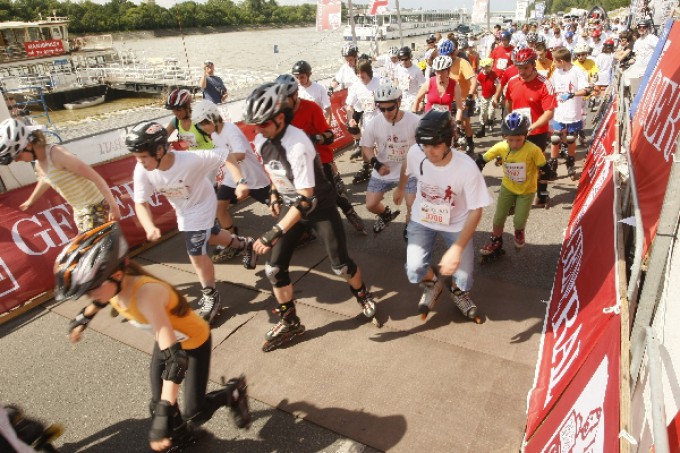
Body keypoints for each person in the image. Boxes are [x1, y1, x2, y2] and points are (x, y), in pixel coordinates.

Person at [54, 221, 251, 452]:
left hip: (193, 341)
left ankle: (233, 392)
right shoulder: (114, 286)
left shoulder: (145, 294)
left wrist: (163, 416)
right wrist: (83, 319)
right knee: (157, 405)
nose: (89, 296)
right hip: (169, 341)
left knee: (193, 412)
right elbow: (101, 299)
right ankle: (182, 436)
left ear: (116, 274)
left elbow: (176, 361)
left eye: (90, 289)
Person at [245, 83, 378, 351]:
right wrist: (274, 193)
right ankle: (290, 321)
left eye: (262, 124)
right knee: (273, 269)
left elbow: (306, 199)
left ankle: (362, 294)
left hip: (318, 207)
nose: (257, 131)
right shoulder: (261, 140)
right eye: (254, 125)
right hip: (292, 205)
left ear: (279, 118)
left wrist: (274, 232)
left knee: (341, 267)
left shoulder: (298, 144)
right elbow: (277, 173)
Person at [126, 121, 257, 324]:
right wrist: (149, 226)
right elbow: (140, 203)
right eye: (136, 157)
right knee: (209, 235)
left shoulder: (190, 159)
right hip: (183, 209)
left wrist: (240, 181)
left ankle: (211, 295)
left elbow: (225, 155)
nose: (139, 161)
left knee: (195, 251)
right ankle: (244, 243)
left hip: (202, 203)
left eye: (143, 156)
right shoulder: (142, 170)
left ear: (159, 150)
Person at [396, 110, 491, 321]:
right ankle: (433, 284)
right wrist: (401, 188)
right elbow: (406, 166)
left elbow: (476, 210)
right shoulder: (416, 153)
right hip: (423, 217)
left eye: (436, 145)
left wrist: (456, 250)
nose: (429, 151)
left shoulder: (467, 167)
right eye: (425, 145)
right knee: (414, 269)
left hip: (456, 222)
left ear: (449, 140)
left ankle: (457, 291)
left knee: (464, 276)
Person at [275, 74, 366, 234]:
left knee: (329, 194)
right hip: (295, 161)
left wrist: (313, 138)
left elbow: (329, 135)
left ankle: (350, 212)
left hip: (319, 157)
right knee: (296, 196)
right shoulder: (279, 112)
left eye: (285, 99)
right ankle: (302, 232)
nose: (282, 103)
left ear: (295, 94)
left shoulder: (311, 108)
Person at [0, 119, 122, 232]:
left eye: (17, 155)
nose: (17, 160)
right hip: (80, 211)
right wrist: (30, 201)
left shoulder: (57, 155)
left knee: (93, 245)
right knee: (93, 245)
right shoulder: (39, 164)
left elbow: (96, 178)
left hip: (96, 206)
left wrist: (113, 206)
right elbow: (46, 179)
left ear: (28, 145)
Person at [191, 100, 273, 262]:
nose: (203, 128)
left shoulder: (231, 129)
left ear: (213, 118)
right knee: (220, 206)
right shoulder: (214, 135)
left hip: (252, 177)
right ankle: (232, 241)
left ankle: (301, 229)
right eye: (200, 125)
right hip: (232, 177)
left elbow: (240, 154)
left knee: (276, 206)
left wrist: (217, 159)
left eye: (204, 123)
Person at [475, 112, 547, 259]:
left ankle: (519, 231)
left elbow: (543, 166)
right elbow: (484, 158)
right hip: (507, 187)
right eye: (510, 140)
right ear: (504, 137)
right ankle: (495, 240)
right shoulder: (501, 147)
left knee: (519, 221)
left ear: (525, 135)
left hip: (526, 191)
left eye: (519, 140)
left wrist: (546, 172)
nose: (514, 144)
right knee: (498, 217)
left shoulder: (533, 150)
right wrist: (478, 165)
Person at [359, 85, 419, 238]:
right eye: (382, 109)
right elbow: (366, 146)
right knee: (370, 205)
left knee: (412, 206)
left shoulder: (414, 121)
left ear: (399, 102)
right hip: (383, 169)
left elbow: (427, 145)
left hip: (409, 171)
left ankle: (410, 230)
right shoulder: (375, 122)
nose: (386, 113)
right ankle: (385, 215)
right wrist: (375, 163)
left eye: (390, 108)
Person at [504, 47, 557, 207]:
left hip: (537, 131)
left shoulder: (544, 84)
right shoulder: (512, 82)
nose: (522, 71)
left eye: (525, 68)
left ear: (534, 65)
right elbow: (508, 103)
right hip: (517, 131)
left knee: (538, 165)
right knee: (516, 164)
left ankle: (542, 194)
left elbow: (549, 112)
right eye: (519, 67)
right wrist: (509, 123)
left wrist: (532, 127)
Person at [549, 46, 591, 182]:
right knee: (555, 138)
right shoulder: (557, 72)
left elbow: (587, 90)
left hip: (573, 111)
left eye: (555, 61)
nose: (553, 63)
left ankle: (570, 163)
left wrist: (572, 94)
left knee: (571, 138)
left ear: (561, 61)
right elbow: (549, 86)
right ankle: (553, 163)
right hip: (559, 111)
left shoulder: (578, 71)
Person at [345, 59, 381, 185]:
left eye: (362, 73)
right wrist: (351, 118)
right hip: (367, 119)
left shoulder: (379, 81)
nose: (360, 76)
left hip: (381, 118)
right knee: (366, 145)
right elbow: (349, 106)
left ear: (368, 72)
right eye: (358, 74)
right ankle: (366, 167)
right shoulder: (356, 86)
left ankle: (380, 168)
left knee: (380, 146)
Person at [394, 46, 426, 112]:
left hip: (413, 100)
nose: (404, 61)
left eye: (406, 59)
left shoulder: (417, 70)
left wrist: (421, 101)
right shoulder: (398, 68)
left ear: (410, 58)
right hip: (401, 100)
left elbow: (423, 87)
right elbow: (396, 80)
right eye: (401, 59)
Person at [475, 58, 498, 138]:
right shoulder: (481, 75)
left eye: (488, 67)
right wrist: (475, 91)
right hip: (484, 96)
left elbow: (498, 82)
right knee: (483, 112)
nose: (486, 69)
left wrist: (498, 93)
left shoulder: (493, 74)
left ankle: (490, 122)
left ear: (490, 67)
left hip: (493, 95)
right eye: (484, 68)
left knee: (491, 112)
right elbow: (477, 83)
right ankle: (482, 129)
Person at [593, 39, 615, 110]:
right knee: (601, 90)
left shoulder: (601, 56)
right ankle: (600, 104)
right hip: (605, 75)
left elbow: (596, 65)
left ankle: (597, 104)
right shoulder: (611, 56)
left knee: (599, 90)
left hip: (601, 74)